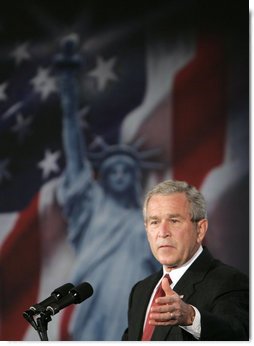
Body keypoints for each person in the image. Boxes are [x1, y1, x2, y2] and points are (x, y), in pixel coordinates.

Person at [54, 37, 159, 340]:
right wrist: (68, 95)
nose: (121, 174)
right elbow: (74, 149)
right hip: (96, 292)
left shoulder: (147, 220)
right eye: (113, 169)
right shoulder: (92, 205)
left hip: (139, 294)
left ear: (135, 176)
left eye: (128, 169)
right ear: (104, 177)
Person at [122, 179, 249, 341]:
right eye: (154, 222)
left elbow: (237, 334)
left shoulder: (230, 281)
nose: (162, 232)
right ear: (147, 230)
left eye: (174, 221)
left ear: (200, 230)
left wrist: (191, 317)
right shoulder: (140, 290)